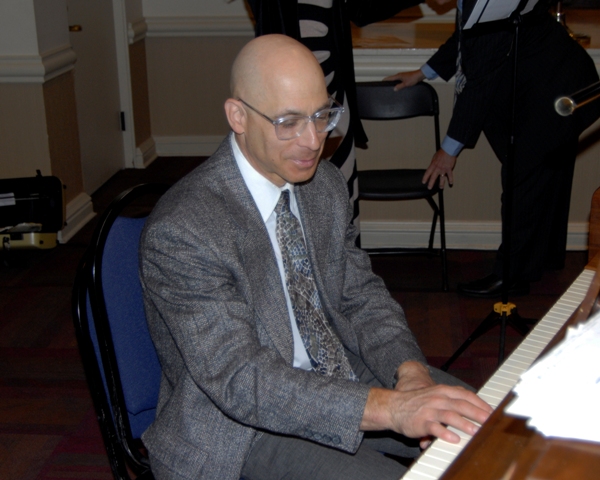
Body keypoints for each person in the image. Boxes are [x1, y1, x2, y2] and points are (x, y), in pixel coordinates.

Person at [139, 34, 491, 480]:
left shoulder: (323, 185)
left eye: (322, 115)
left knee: (492, 433)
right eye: (288, 121)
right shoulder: (184, 229)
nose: (313, 141)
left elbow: (361, 297)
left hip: (336, 369)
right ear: (238, 116)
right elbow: (241, 380)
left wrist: (410, 374)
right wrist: (392, 408)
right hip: (239, 426)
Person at [385, 0, 600, 298]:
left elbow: (479, 81)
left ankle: (511, 276)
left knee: (521, 181)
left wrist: (448, 151)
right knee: (540, 177)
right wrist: (423, 72)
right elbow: (467, 39)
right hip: (548, 81)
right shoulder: (476, 3)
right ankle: (541, 260)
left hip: (558, 88)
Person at [247, 0, 424, 229]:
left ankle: (344, 253)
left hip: (334, 98)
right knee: (292, 198)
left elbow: (360, 10)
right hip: (284, 101)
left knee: (343, 193)